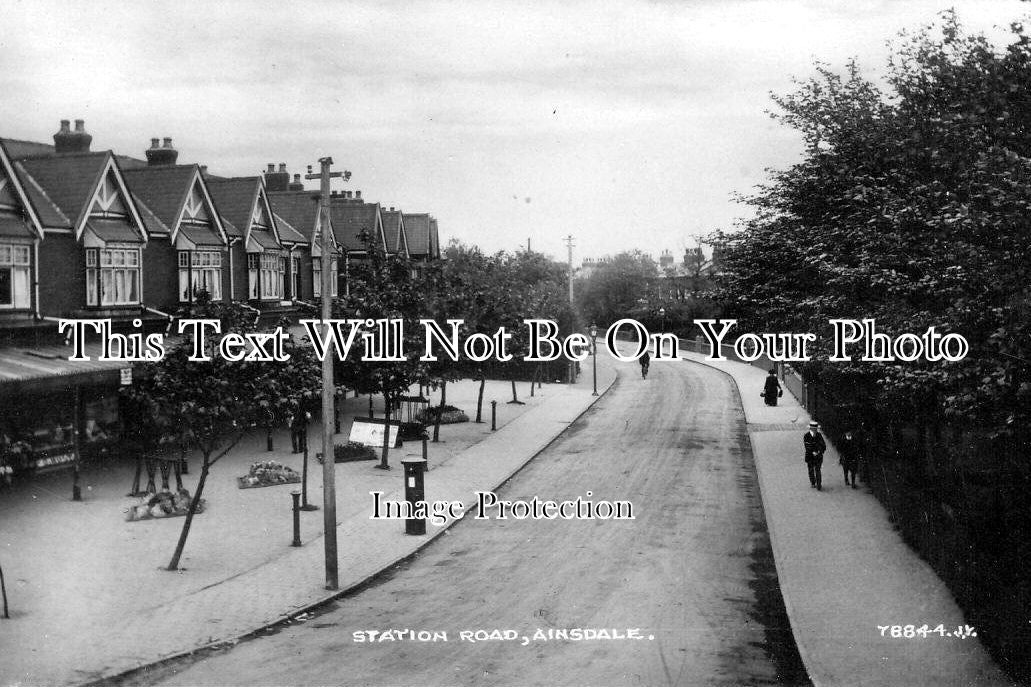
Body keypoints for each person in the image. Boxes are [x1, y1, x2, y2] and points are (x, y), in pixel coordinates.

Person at [803, 421, 827, 490]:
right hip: (810, 456)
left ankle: (819, 484)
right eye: (813, 429)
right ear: (810, 429)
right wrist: (813, 451)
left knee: (817, 470)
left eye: (815, 429)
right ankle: (813, 482)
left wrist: (819, 451)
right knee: (811, 470)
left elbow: (823, 445)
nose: (814, 430)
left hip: (818, 456)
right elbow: (807, 446)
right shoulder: (806, 436)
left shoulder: (819, 435)